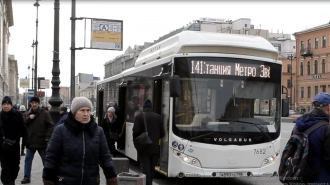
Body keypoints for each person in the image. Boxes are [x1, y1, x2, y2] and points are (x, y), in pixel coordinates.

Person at [42, 97, 118, 185]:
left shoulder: (98, 131)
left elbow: (105, 157)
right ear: (74, 112)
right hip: (66, 181)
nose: (86, 114)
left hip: (91, 181)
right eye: (82, 110)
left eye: (88, 110)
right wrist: (48, 178)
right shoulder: (61, 130)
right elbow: (51, 157)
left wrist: (111, 177)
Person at [294, 92, 330, 183]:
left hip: (300, 176)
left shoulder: (298, 126)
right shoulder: (326, 129)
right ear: (329, 107)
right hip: (321, 178)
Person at [21, 97, 54, 184]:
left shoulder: (45, 113)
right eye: (32, 102)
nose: (34, 104)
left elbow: (51, 126)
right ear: (30, 104)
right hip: (31, 142)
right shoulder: (28, 113)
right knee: (28, 160)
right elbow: (23, 124)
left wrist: (47, 137)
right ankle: (26, 177)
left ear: (38, 103)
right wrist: (29, 118)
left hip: (42, 142)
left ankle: (48, 178)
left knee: (45, 161)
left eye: (36, 102)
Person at [133, 99, 165, 185]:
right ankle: (149, 183)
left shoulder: (139, 117)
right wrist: (154, 139)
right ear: (151, 108)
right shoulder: (158, 117)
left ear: (144, 107)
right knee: (151, 169)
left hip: (143, 147)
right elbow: (162, 133)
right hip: (154, 148)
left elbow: (135, 132)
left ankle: (147, 183)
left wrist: (137, 143)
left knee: (145, 170)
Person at [0, 96, 29, 185]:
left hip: (14, 147)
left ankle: (11, 181)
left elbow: (23, 129)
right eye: (4, 104)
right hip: (2, 147)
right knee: (5, 168)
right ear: (2, 106)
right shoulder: (0, 116)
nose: (6, 106)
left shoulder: (18, 115)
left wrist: (26, 140)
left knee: (15, 167)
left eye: (8, 104)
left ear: (11, 105)